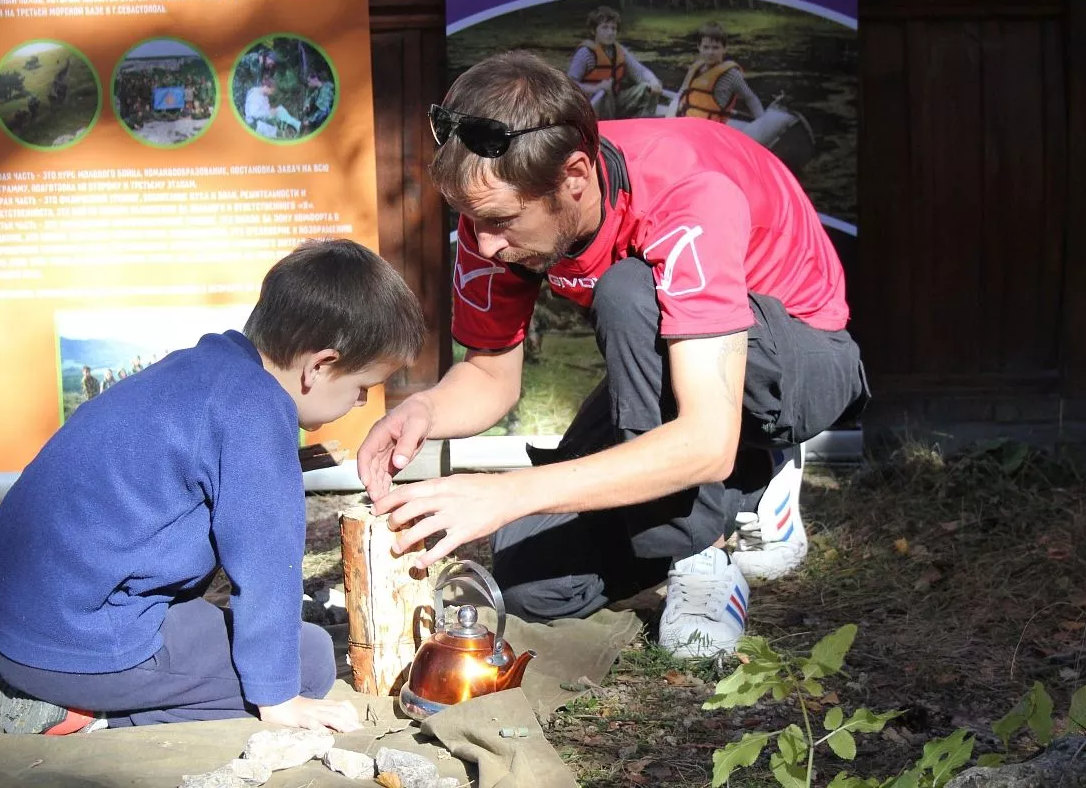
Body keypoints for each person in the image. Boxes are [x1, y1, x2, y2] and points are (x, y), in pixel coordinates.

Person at [358, 52, 869, 658]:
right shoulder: (492, 212)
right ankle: (736, 492)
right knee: (530, 584)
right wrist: (424, 412)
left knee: (627, 292)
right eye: (471, 221)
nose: (485, 244)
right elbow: (491, 375)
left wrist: (506, 492)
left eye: (500, 222)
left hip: (799, 366)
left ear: (575, 176)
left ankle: (713, 537)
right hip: (686, 363)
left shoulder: (687, 194)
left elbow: (705, 439)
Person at [0, 239, 426, 734]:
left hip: (18, 607)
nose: (360, 402)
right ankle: (75, 714)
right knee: (309, 660)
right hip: (76, 642)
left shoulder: (204, 366)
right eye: (362, 387)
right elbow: (267, 560)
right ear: (319, 365)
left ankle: (64, 683)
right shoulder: (256, 409)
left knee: (263, 644)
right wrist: (278, 697)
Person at [567, 6, 663, 120]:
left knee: (648, 88)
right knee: (605, 92)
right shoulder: (585, 53)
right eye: (605, 27)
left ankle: (642, 125)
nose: (610, 32)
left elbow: (640, 71)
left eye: (613, 28)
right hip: (591, 107)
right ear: (593, 31)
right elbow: (569, 86)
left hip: (614, 103)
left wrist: (653, 81)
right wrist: (596, 87)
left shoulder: (619, 50)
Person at [669, 21, 764, 123]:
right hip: (687, 124)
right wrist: (669, 118)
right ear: (699, 47)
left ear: (724, 48)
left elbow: (750, 98)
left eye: (715, 48)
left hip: (711, 131)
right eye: (706, 47)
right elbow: (680, 95)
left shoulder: (732, 75)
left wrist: (762, 123)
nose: (710, 52)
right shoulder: (695, 68)